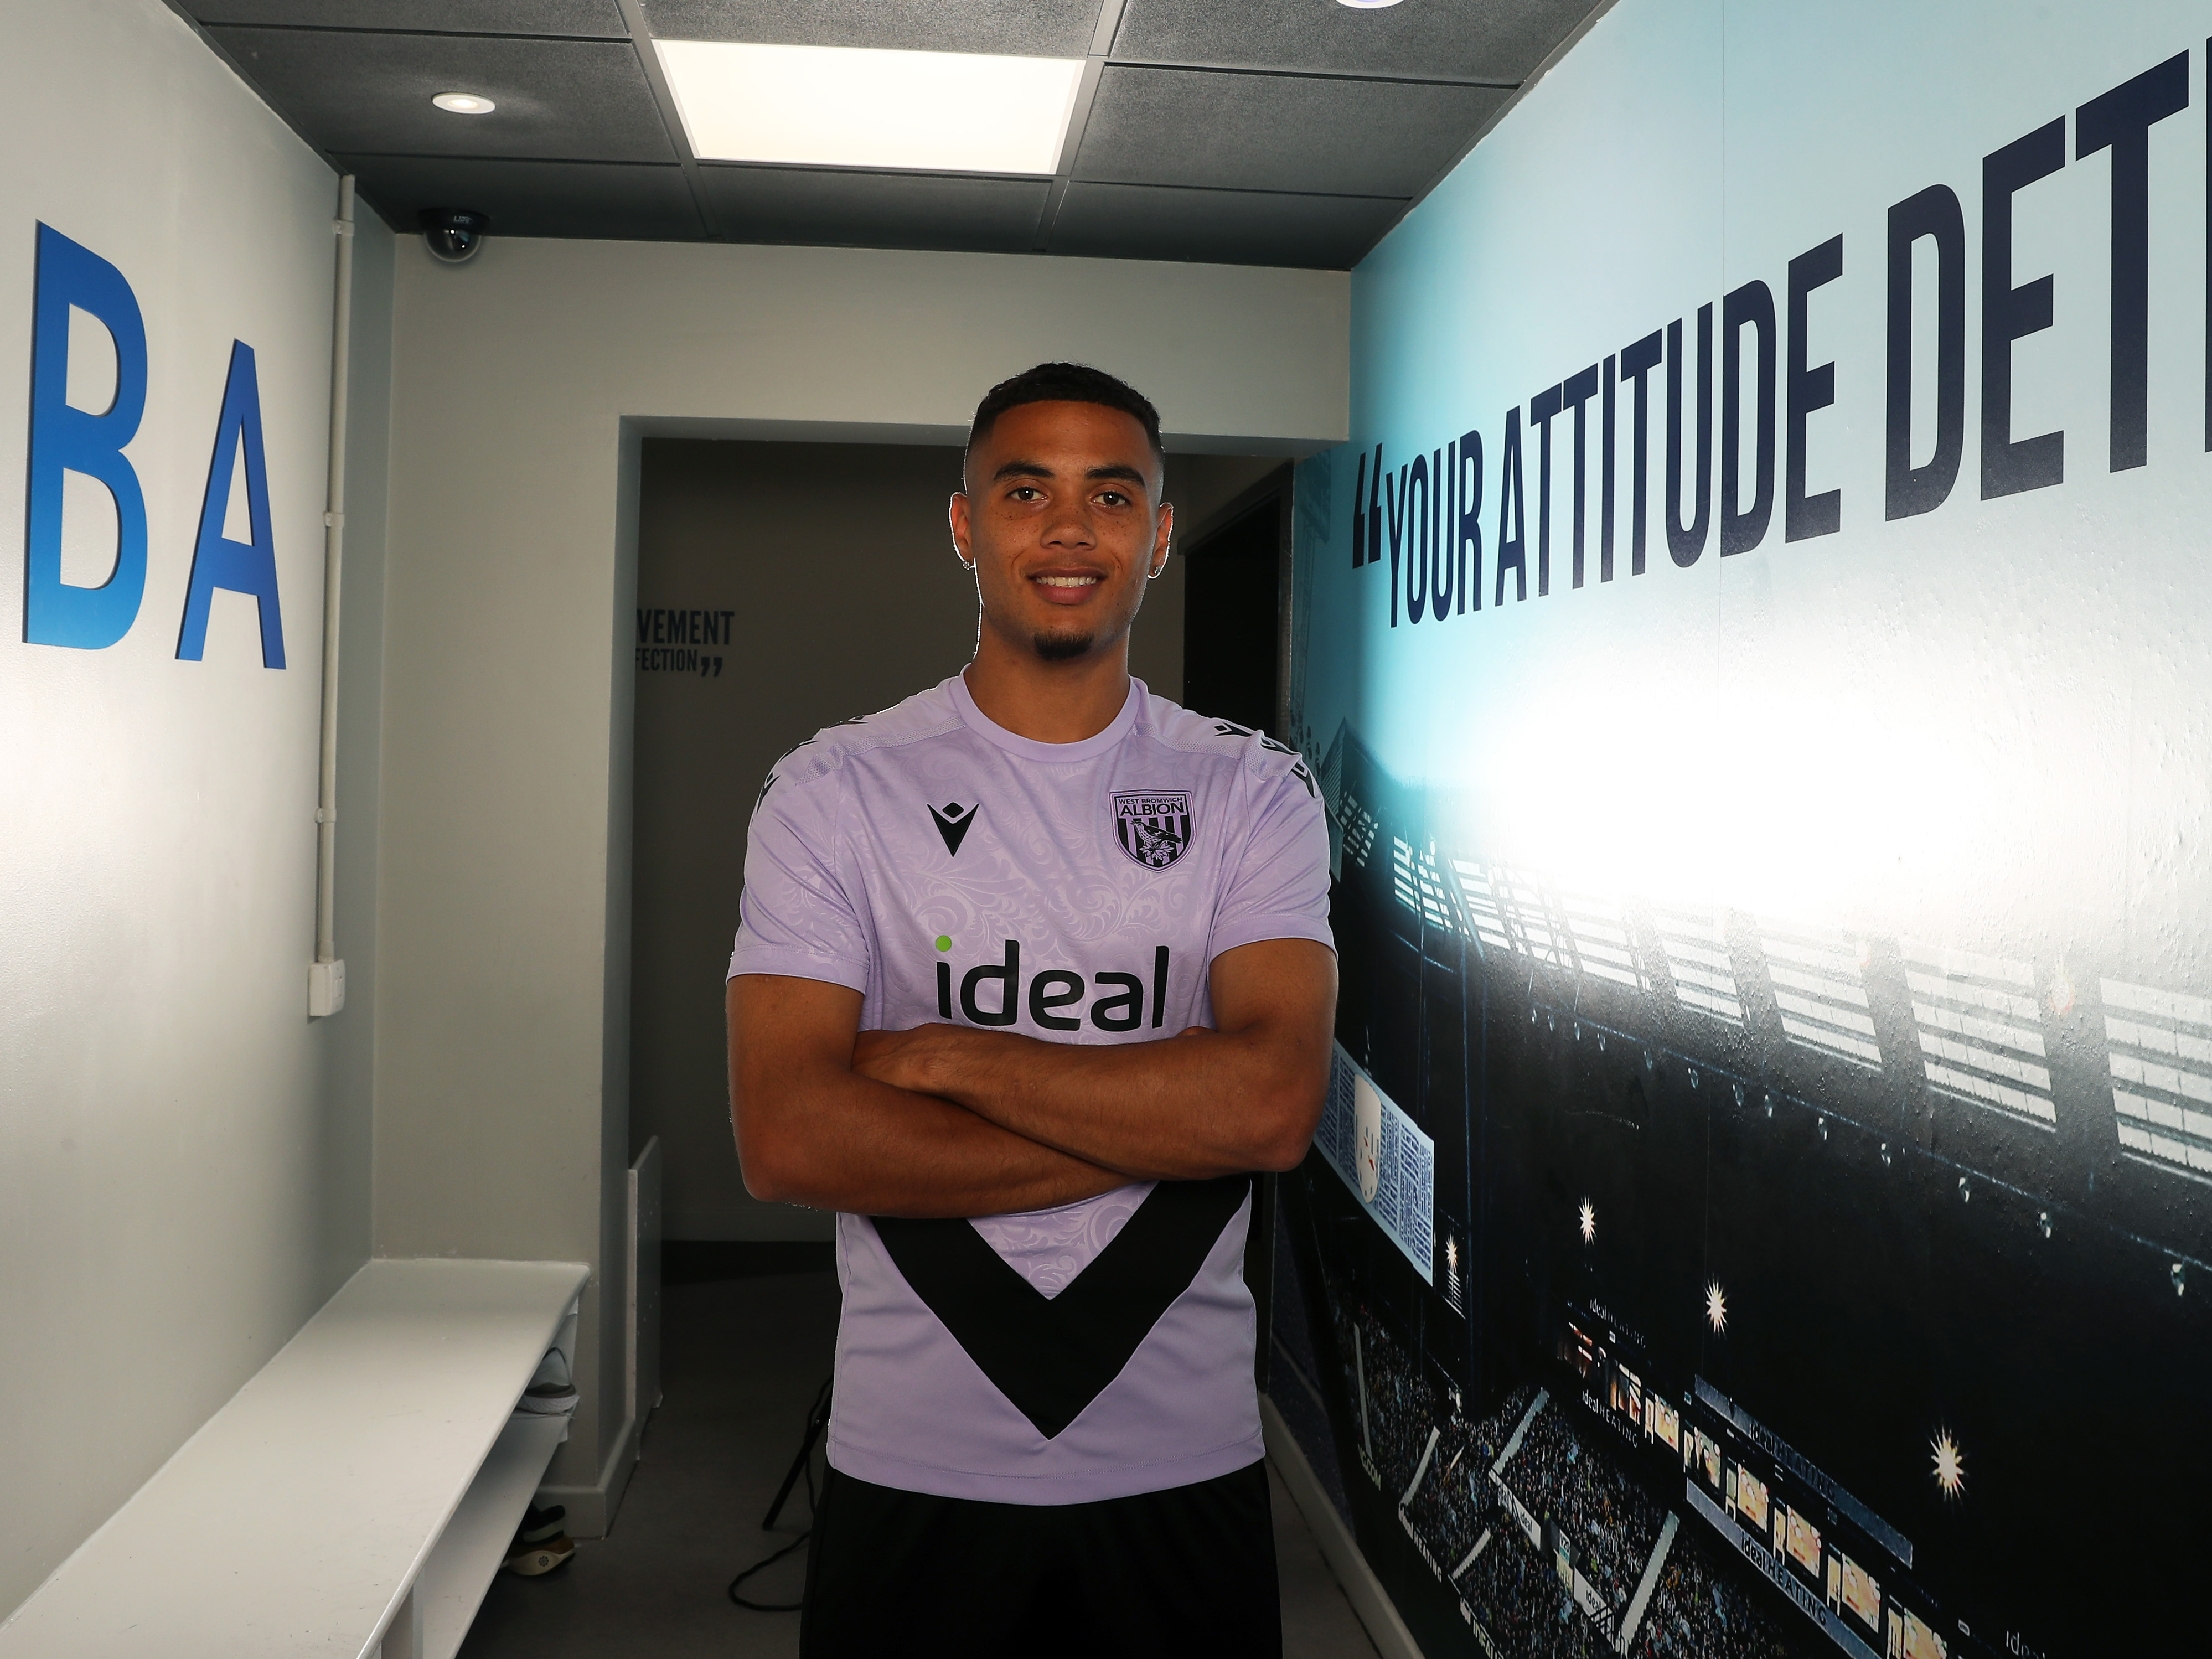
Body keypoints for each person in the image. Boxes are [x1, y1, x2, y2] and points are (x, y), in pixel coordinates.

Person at [725, 361, 1337, 1658]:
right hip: (914, 1462)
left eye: (1112, 495)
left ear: (1159, 535)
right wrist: (1168, 1109)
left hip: (1183, 1456)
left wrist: (947, 1055)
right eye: (1026, 490)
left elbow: (1275, 1105)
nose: (1069, 528)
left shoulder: (1253, 794)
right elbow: (788, 1137)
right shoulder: (833, 790)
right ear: (964, 525)